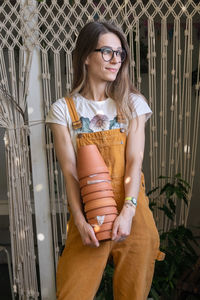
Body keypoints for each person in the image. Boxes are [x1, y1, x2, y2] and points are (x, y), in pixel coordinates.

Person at [46, 21, 163, 300]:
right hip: (88, 214)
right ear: (86, 56)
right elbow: (70, 172)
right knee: (72, 293)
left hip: (132, 211)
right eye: (107, 52)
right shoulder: (63, 110)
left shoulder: (132, 103)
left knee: (132, 294)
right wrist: (79, 220)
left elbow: (135, 161)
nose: (116, 60)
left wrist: (128, 211)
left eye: (120, 53)